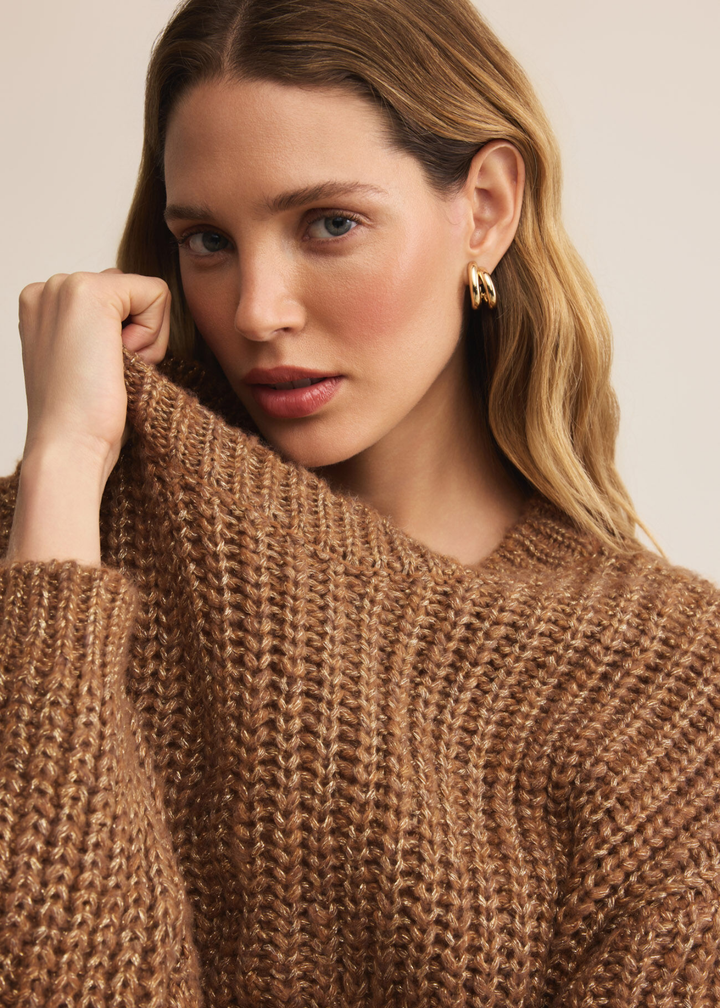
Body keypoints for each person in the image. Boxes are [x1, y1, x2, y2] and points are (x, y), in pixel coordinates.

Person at [1, 0, 718, 1004]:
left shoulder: (674, 683)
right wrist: (65, 467)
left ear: (487, 207)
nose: (257, 310)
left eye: (329, 224)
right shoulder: (52, 561)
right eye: (206, 240)